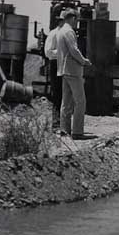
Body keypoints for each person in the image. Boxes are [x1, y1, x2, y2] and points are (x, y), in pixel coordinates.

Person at [56, 8, 92, 139]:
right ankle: (77, 132)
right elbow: (74, 50)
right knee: (80, 101)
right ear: (72, 18)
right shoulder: (69, 31)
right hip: (73, 70)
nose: (77, 22)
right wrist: (84, 61)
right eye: (76, 19)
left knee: (66, 102)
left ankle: (64, 130)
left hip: (64, 70)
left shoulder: (60, 31)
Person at [44, 10, 65, 130]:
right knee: (57, 94)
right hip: (56, 64)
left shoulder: (68, 35)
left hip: (66, 65)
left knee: (65, 95)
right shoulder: (53, 34)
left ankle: (63, 123)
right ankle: (56, 123)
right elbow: (48, 52)